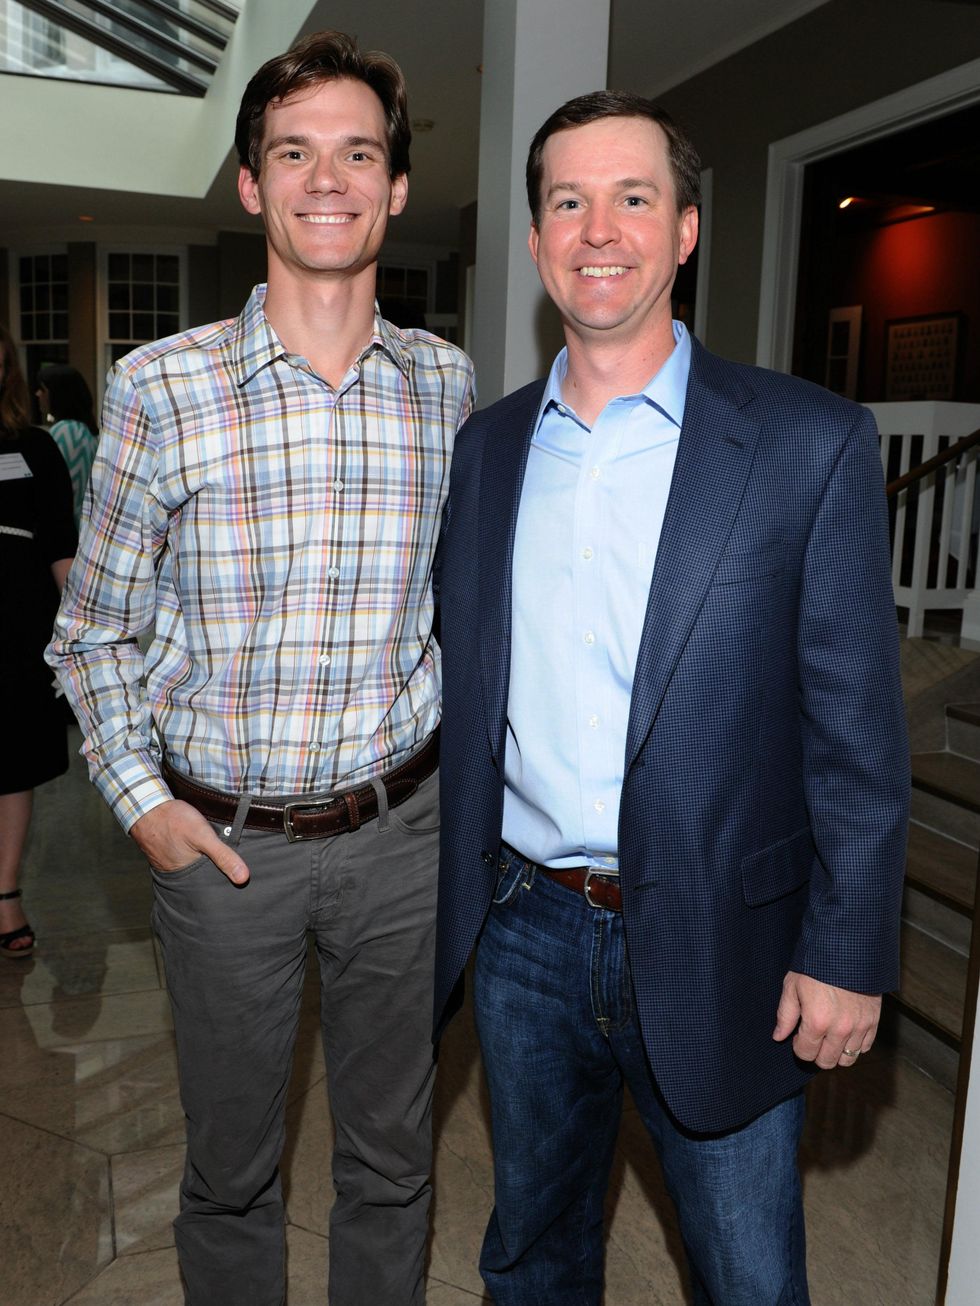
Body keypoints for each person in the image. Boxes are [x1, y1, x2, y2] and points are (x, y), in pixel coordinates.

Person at [433, 91, 909, 1305]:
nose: (600, 228)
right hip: (523, 931)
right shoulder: (484, 450)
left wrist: (846, 952)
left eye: (632, 197)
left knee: (748, 1276)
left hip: (727, 942)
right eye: (567, 201)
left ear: (685, 228)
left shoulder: (809, 443)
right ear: (537, 240)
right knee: (530, 1254)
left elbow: (854, 732)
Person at [48, 30, 473, 1306]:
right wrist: (144, 806)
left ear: (395, 185)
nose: (326, 178)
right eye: (294, 153)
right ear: (250, 183)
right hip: (222, 848)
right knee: (231, 1168)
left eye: (358, 152)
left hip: (404, 835)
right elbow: (93, 634)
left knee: (393, 1160)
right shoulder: (159, 390)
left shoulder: (447, 390)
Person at [0, 325, 76, 958]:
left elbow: (59, 544)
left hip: (18, 625)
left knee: (11, 764)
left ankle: (5, 897)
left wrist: (87, 631)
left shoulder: (35, 447)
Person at [35, 364, 99, 528]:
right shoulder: (85, 430)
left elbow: (53, 489)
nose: (38, 394)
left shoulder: (67, 431)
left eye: (42, 389)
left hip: (69, 528)